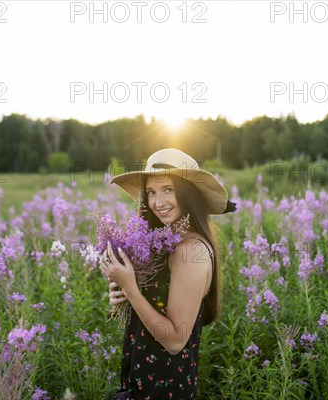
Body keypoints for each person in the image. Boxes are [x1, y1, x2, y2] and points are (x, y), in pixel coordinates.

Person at [99, 148, 236, 399]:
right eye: (151, 192)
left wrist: (130, 287)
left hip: (163, 389)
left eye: (168, 190)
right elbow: (152, 301)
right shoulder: (166, 241)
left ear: (188, 193)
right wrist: (122, 291)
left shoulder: (190, 250)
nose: (157, 203)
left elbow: (174, 342)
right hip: (143, 381)